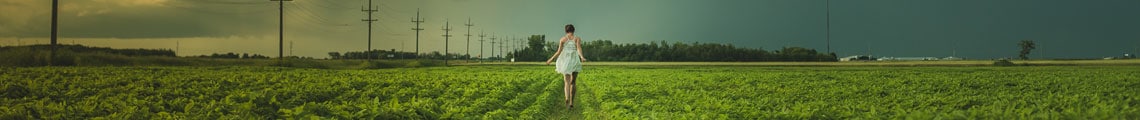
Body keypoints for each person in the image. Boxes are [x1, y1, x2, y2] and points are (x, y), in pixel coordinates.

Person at [546, 24, 586, 109]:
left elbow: (559, 51)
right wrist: (582, 57)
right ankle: (571, 101)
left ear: (566, 31)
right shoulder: (577, 39)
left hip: (566, 61)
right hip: (574, 60)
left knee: (566, 82)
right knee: (573, 82)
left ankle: (567, 98)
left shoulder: (563, 39)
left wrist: (551, 59)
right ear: (573, 30)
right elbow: (579, 48)